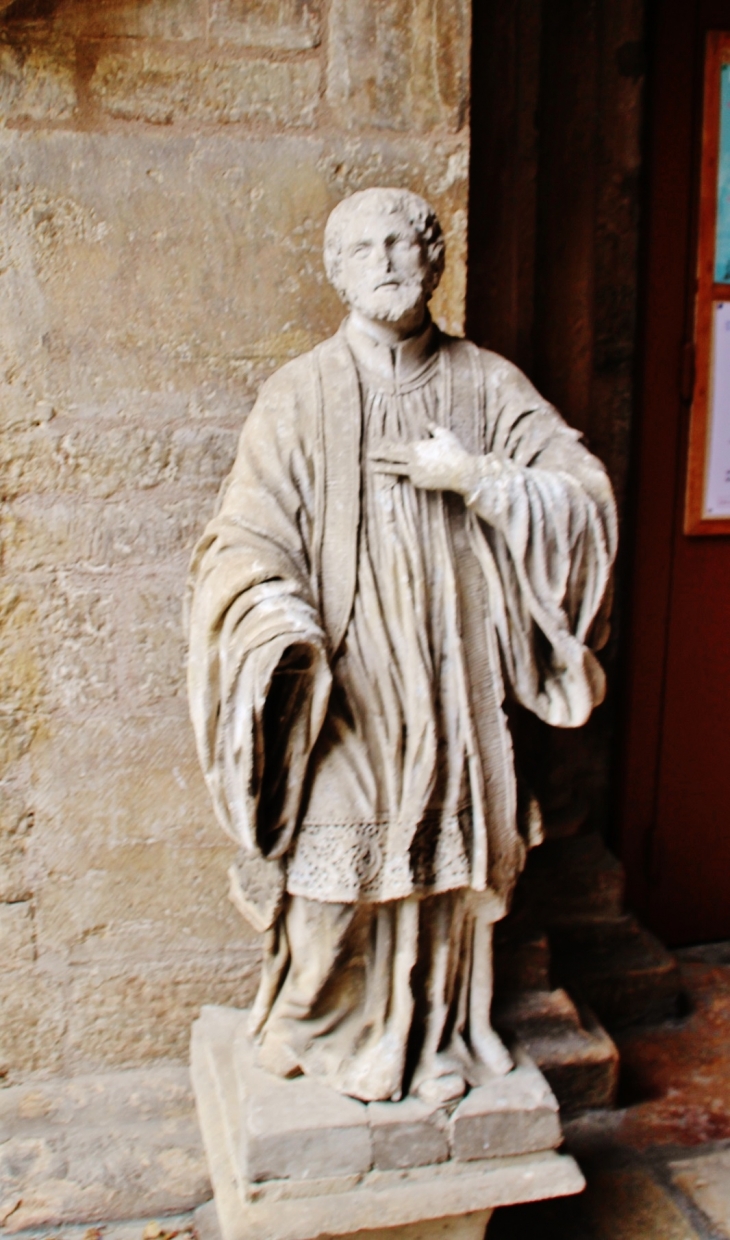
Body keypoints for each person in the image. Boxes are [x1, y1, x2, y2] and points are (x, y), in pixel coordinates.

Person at [186, 187, 617, 1106]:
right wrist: (273, 619)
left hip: (456, 679)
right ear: (338, 272)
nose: (385, 262)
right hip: (350, 683)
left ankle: (429, 1032)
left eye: (402, 243)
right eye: (363, 249)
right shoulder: (300, 395)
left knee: (443, 868)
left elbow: (582, 498)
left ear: (433, 258)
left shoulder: (487, 383)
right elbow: (244, 536)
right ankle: (305, 1016)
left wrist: (480, 478)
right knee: (330, 880)